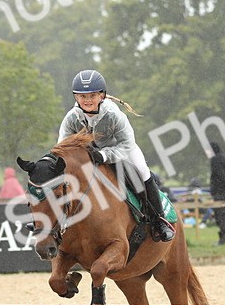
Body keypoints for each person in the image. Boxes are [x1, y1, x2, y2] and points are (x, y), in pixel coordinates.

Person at [58, 69, 174, 242]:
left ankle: (159, 220)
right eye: (83, 96)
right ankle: (55, 222)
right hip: (91, 156)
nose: (87, 100)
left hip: (121, 150)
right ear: (76, 97)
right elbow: (62, 146)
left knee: (143, 171)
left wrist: (104, 156)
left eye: (92, 95)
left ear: (102, 96)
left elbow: (127, 145)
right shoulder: (71, 118)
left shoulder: (114, 115)